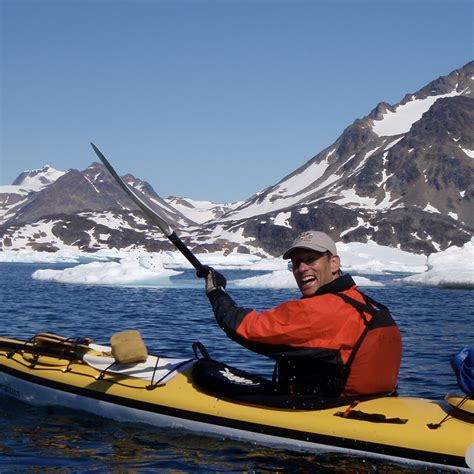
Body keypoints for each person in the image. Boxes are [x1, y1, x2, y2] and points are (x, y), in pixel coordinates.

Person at [201, 230, 402, 398]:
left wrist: (217, 294)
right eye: (296, 263)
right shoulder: (365, 303)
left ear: (334, 263)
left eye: (310, 260)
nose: (302, 268)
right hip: (371, 401)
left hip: (325, 408)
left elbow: (247, 329)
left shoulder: (321, 309)